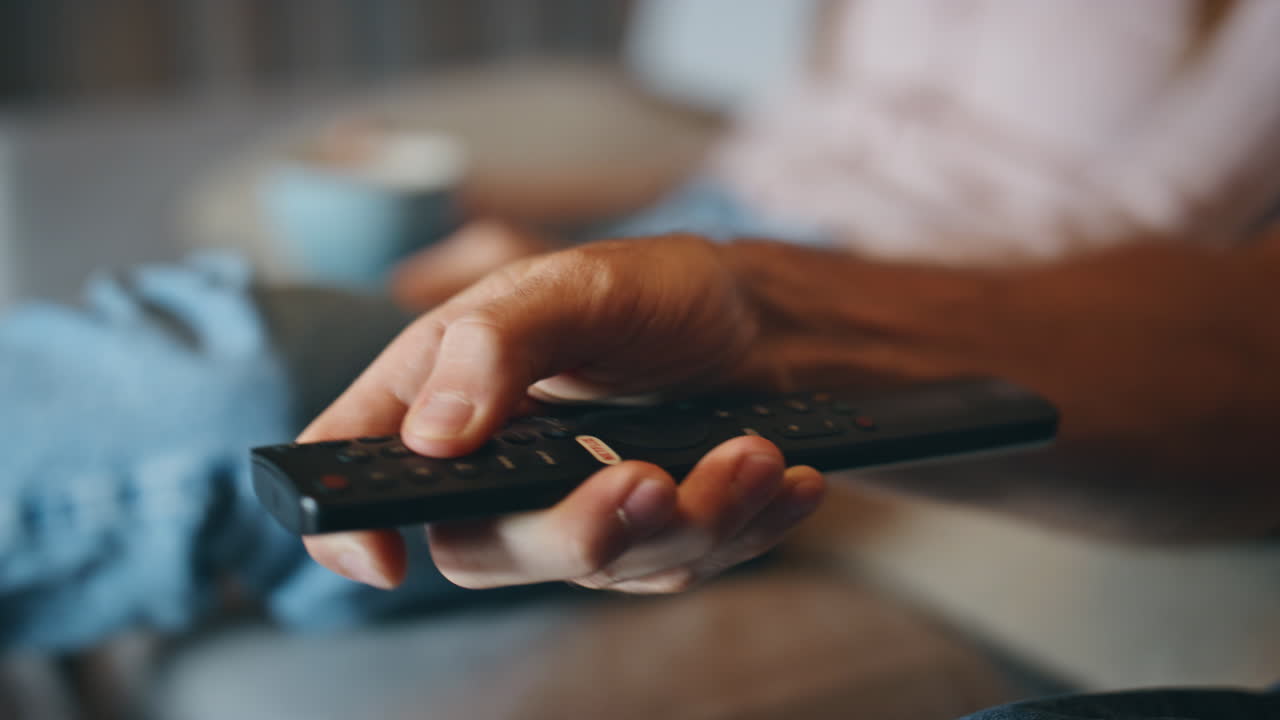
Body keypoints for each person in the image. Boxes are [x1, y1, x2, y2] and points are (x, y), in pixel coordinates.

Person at [2, 1, 1279, 718]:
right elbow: (767, 151)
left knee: (235, 383)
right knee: (225, 370)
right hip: (671, 250)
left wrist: (782, 312)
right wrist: (532, 212)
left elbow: (1161, 255)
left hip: (880, 304)